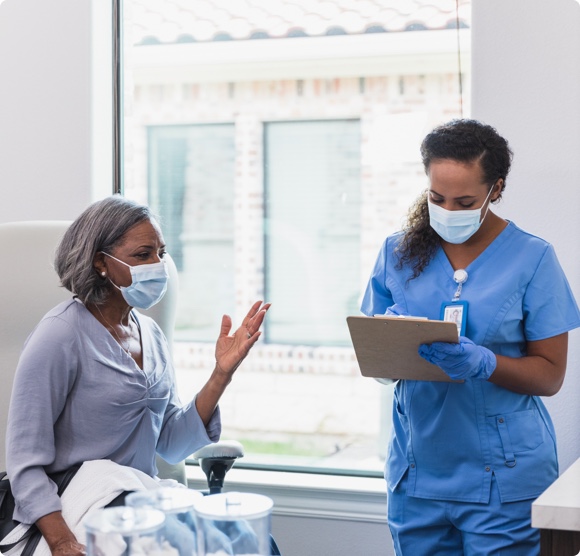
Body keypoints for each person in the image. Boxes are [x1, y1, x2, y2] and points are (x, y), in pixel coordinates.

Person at [360, 119, 580, 555]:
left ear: (495, 189)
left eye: (465, 201)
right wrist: (389, 346)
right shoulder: (396, 253)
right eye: (437, 198)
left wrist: (486, 363)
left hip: (505, 478)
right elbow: (376, 362)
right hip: (417, 475)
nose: (448, 211)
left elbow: (550, 376)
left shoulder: (532, 258)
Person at [6, 195, 270, 556]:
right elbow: (24, 463)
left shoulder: (151, 334)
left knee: (249, 540)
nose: (159, 265)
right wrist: (62, 542)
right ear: (101, 263)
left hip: (139, 493)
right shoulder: (60, 334)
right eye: (143, 255)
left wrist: (221, 373)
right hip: (81, 500)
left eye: (161, 253)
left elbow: (171, 444)